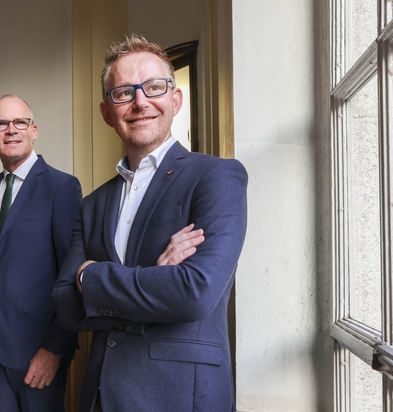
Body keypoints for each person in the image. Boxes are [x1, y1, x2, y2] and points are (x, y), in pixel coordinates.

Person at [53, 35, 248, 411]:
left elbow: (194, 294)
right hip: (101, 395)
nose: (140, 102)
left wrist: (89, 278)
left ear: (174, 100)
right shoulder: (92, 204)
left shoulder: (216, 177)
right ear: (107, 112)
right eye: (123, 93)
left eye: (153, 87)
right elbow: (65, 305)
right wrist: (153, 278)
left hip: (177, 396)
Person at [0, 94, 81, 412]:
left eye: (20, 122)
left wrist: (54, 349)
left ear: (34, 130)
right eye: (1, 123)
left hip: (37, 351)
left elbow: (70, 276)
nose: (11, 130)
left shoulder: (62, 188)